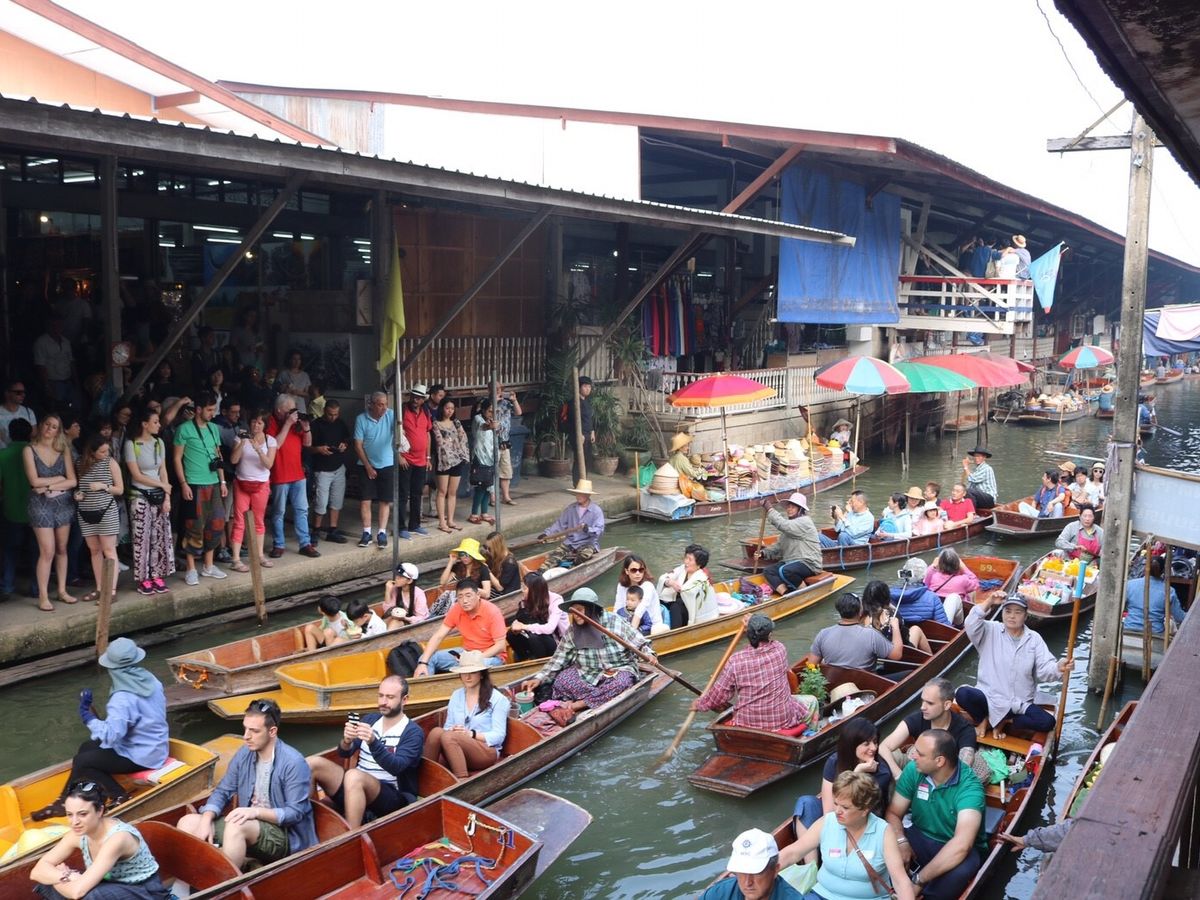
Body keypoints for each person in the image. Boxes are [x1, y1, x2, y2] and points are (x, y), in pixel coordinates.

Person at [30, 638, 168, 822]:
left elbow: (110, 736)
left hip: (142, 756)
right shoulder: (152, 681)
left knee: (83, 762)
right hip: (156, 746)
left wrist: (89, 718)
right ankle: (74, 798)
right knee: (86, 747)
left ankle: (119, 795)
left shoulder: (122, 698)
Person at [177, 698, 316, 869]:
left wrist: (254, 812)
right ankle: (228, 868)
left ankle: (228, 881)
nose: (246, 736)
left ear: (272, 731)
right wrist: (206, 819)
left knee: (236, 826)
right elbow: (223, 791)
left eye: (254, 731)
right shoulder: (244, 753)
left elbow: (295, 813)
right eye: (245, 729)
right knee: (188, 822)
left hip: (285, 837)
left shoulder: (293, 762)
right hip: (247, 823)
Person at [306, 675, 423, 826]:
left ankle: (352, 835)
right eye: (380, 696)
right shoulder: (370, 720)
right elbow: (344, 753)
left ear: (404, 700)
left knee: (354, 775)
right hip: (354, 786)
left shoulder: (413, 732)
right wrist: (347, 741)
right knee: (311, 763)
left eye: (390, 697)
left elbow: (396, 767)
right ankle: (307, 824)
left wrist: (373, 742)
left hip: (391, 797)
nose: (383, 702)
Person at [886, 729, 986, 899]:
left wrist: (918, 880)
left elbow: (961, 845)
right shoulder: (913, 770)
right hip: (920, 836)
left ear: (939, 761)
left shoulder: (970, 789)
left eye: (920, 754)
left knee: (959, 873)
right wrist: (901, 841)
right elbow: (893, 813)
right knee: (885, 846)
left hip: (954, 847)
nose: (913, 756)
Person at [955, 592, 1069, 739]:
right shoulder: (990, 629)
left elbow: (1045, 670)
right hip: (990, 697)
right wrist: (990, 601)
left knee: (1047, 722)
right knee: (962, 694)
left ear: (1025, 616)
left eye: (1018, 612)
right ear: (1002, 613)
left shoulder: (1034, 639)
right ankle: (985, 719)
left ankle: (1003, 720)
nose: (1012, 616)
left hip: (1017, 703)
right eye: (1008, 611)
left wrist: (1059, 667)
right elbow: (970, 623)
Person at [30, 782, 171, 900]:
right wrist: (68, 876)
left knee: (91, 895)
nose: (74, 822)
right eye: (69, 815)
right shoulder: (77, 834)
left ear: (100, 811)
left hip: (145, 892)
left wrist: (61, 878)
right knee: (46, 882)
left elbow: (77, 892)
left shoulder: (118, 838)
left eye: (82, 814)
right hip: (109, 885)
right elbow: (36, 871)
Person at [520, 588, 646, 715]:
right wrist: (539, 678)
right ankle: (596, 698)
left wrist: (649, 654)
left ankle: (580, 704)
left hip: (617, 671)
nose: (575, 615)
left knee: (622, 683)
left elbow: (639, 642)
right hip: (588, 674)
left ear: (591, 609)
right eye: (573, 611)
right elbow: (559, 658)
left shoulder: (614, 621)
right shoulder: (573, 631)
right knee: (561, 681)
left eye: (579, 610)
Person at [785, 720, 893, 865]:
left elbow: (856, 810)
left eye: (875, 742)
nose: (873, 747)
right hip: (836, 816)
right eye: (866, 744)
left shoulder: (882, 773)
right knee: (806, 803)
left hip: (860, 822)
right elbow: (829, 812)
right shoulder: (834, 761)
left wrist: (858, 772)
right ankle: (812, 866)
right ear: (852, 744)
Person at [693, 613, 815, 731]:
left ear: (748, 634)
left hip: (746, 721)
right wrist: (754, 621)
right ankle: (810, 733)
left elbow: (720, 694)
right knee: (812, 701)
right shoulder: (780, 650)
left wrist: (700, 704)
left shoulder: (735, 661)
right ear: (769, 635)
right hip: (781, 720)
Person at [422, 651, 511, 778]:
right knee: (437, 732)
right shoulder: (456, 695)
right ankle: (425, 777)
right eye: (464, 673)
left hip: (485, 751)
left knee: (449, 737)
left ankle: (462, 780)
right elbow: (448, 726)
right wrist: (453, 729)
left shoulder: (498, 699)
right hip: (457, 747)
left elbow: (498, 736)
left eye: (472, 672)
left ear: (481, 674)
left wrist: (471, 734)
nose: (467, 677)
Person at [172, 392, 229, 586]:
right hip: (194, 484)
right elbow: (176, 458)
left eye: (214, 409)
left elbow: (218, 456)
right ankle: (191, 568)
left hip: (213, 482)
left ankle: (208, 565)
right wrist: (183, 483)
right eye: (209, 410)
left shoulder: (213, 428)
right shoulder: (184, 429)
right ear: (198, 410)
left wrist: (222, 482)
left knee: (216, 523)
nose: (213, 413)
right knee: (193, 526)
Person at [24, 415, 78, 610]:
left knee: (62, 548)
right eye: (47, 424)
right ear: (41, 426)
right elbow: (33, 480)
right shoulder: (29, 449)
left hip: (63, 503)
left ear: (58, 431)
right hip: (40, 505)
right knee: (47, 550)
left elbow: (73, 480)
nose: (49, 428)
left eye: (54, 426)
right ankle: (43, 596)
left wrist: (48, 485)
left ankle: (62, 590)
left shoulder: (63, 449)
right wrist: (59, 479)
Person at [880, 679, 978, 780]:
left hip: (944, 772)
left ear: (946, 705)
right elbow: (883, 747)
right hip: (917, 764)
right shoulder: (917, 718)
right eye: (922, 701)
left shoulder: (965, 729)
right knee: (884, 759)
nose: (922, 707)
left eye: (930, 703)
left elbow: (963, 768)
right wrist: (898, 775)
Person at [124, 407, 174, 595]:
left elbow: (163, 470)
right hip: (140, 495)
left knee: (159, 537)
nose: (159, 425)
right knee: (142, 538)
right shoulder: (131, 444)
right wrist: (162, 485)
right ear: (144, 424)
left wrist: (167, 495)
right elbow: (136, 475)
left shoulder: (159, 443)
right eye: (155, 422)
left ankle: (157, 574)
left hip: (159, 494)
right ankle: (143, 578)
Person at [414, 578, 508, 674]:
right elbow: (438, 636)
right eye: (460, 597)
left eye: (468, 596)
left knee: (471, 667)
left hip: (490, 657)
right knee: (426, 658)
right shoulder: (456, 609)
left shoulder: (492, 612)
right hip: (467, 653)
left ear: (478, 595)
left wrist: (474, 659)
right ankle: (425, 682)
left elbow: (500, 646)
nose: (465, 601)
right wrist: (423, 663)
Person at [266, 394, 318, 559]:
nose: (292, 414)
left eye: (293, 410)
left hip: (298, 474)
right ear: (279, 410)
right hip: (280, 474)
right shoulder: (271, 422)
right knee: (278, 512)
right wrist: (288, 424)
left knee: (302, 510)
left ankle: (305, 543)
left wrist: (306, 428)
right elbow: (275, 444)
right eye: (289, 411)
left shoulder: (295, 423)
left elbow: (307, 444)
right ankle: (278, 544)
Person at [228, 408, 278, 572]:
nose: (256, 425)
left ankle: (259, 555)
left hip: (261, 485)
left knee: (259, 520)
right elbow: (233, 460)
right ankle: (236, 559)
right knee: (239, 521)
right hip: (242, 483)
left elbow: (269, 464)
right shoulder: (240, 437)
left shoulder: (270, 441)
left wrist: (258, 449)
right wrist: (243, 442)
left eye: (260, 422)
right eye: (253, 422)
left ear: (265, 425)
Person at [699, 827, 806, 900]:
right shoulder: (718, 893)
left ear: (775, 870)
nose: (747, 882)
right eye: (741, 872)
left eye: (756, 873)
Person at [806, 593, 902, 670]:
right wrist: (895, 627)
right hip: (866, 684)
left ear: (839, 611)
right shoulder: (871, 634)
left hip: (834, 682)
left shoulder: (823, 634)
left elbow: (811, 665)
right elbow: (896, 655)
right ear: (860, 612)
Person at [354, 390, 400, 548]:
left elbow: (399, 432)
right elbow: (358, 445)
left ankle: (382, 532)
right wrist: (368, 466)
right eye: (380, 405)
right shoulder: (361, 419)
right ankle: (366, 532)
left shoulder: (391, 415)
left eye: (385, 404)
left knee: (385, 500)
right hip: (365, 464)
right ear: (371, 405)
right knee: (365, 499)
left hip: (387, 463)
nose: (384, 408)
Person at [756, 493, 824, 594]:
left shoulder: (805, 522)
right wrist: (763, 553)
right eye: (788, 507)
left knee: (786, 570)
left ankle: (805, 592)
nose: (789, 509)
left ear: (800, 509)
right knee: (769, 571)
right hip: (791, 561)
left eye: (793, 507)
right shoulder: (790, 527)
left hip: (809, 563)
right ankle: (786, 593)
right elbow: (779, 546)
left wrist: (769, 509)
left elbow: (782, 524)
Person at [537, 479, 605, 572]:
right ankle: (539, 573)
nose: (578, 496)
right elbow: (559, 524)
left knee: (585, 555)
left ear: (588, 495)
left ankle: (572, 566)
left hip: (588, 543)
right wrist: (546, 534)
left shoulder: (596, 511)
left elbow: (599, 530)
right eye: (577, 494)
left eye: (581, 494)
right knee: (554, 557)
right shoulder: (571, 508)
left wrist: (588, 529)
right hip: (571, 541)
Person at [0, 418, 33, 599]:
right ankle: (36, 588)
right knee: (37, 552)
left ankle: (7, 585)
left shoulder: (3, 455)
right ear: (30, 433)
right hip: (36, 510)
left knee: (10, 550)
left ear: (10, 434)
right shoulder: (36, 453)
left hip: (11, 509)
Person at [309, 398, 350, 544]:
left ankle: (333, 529)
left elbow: (347, 439)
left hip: (338, 466)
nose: (333, 417)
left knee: (336, 500)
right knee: (321, 501)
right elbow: (307, 448)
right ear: (324, 411)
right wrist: (319, 449)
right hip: (322, 469)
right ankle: (316, 530)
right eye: (330, 414)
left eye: (336, 414)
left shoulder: (341, 423)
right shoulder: (315, 425)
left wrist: (344, 445)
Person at [397, 383, 434, 541]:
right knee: (403, 494)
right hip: (406, 459)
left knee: (417, 493)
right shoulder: (402, 410)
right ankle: (400, 526)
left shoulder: (426, 411)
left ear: (423, 400)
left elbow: (427, 435)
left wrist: (428, 457)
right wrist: (399, 456)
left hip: (421, 460)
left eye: (419, 398)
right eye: (413, 396)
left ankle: (414, 524)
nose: (415, 400)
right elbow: (395, 433)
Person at [861, 579, 932, 655]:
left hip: (875, 654)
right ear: (886, 596)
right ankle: (932, 657)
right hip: (897, 652)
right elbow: (902, 629)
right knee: (916, 629)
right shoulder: (890, 613)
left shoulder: (861, 615)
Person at [430, 396, 469, 533]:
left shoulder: (456, 423)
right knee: (442, 491)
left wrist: (457, 449)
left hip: (457, 460)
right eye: (447, 408)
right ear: (442, 408)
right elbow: (440, 442)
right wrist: (453, 443)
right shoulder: (436, 424)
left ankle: (450, 520)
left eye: (452, 408)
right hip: (444, 461)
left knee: (452, 492)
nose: (450, 411)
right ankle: (442, 521)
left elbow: (463, 438)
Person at [509, 571, 566, 661]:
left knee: (534, 637)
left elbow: (549, 628)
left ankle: (540, 664)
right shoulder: (527, 601)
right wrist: (516, 625)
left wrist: (524, 626)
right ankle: (525, 660)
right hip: (539, 638)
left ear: (534, 590)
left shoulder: (556, 600)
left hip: (559, 642)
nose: (522, 590)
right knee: (511, 634)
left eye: (525, 588)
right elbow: (520, 619)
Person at [658, 545, 718, 627]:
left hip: (694, 611)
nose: (686, 562)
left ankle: (676, 631)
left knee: (676, 605)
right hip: (680, 605)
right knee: (660, 601)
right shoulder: (682, 569)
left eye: (690, 559)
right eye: (686, 558)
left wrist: (678, 588)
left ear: (699, 564)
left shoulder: (702, 577)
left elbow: (688, 590)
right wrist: (670, 582)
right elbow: (664, 577)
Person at [1124, 555, 1185, 636]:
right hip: (1154, 635)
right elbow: (1179, 617)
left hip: (1128, 630)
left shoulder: (1130, 585)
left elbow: (1120, 607)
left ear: (1145, 568)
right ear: (1163, 571)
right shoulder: (1168, 591)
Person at [889, 560, 952, 630]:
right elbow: (944, 627)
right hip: (928, 634)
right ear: (924, 576)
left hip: (900, 634)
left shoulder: (889, 596)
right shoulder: (932, 597)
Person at [923, 549, 978, 627]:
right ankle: (971, 615)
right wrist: (964, 567)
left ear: (940, 564)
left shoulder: (933, 576)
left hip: (936, 614)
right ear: (957, 564)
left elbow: (924, 583)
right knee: (971, 591)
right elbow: (975, 584)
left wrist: (932, 566)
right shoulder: (963, 579)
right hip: (956, 621)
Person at [468, 397, 497, 525]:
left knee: (488, 486)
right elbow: (484, 427)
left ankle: (484, 512)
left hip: (490, 457)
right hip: (479, 457)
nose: (492, 413)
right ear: (484, 410)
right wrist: (491, 426)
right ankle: (474, 513)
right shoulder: (477, 418)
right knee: (480, 487)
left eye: (494, 411)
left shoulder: (493, 420)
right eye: (490, 411)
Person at [495, 383, 522, 505]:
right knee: (492, 471)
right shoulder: (485, 402)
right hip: (492, 442)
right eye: (495, 389)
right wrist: (495, 401)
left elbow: (518, 412)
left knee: (506, 470)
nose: (498, 391)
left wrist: (514, 400)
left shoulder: (506, 403)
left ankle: (506, 496)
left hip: (505, 441)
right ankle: (492, 496)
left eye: (499, 389)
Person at [564, 374, 594, 485]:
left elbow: (589, 419)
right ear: (579, 387)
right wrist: (579, 434)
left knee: (587, 459)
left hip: (587, 435)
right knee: (579, 459)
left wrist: (592, 432)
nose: (588, 389)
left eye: (589, 387)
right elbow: (573, 420)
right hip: (578, 435)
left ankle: (583, 482)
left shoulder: (587, 402)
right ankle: (577, 484)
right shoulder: (574, 403)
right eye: (585, 386)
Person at [383, 561, 429, 628]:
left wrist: (405, 618)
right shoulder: (395, 589)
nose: (396, 578)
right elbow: (387, 611)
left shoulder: (419, 594)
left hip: (413, 623)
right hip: (398, 619)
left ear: (409, 581)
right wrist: (388, 591)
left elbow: (421, 618)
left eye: (400, 577)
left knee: (394, 623)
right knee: (387, 620)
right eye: (397, 575)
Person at [0, 378, 36, 448]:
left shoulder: (29, 412)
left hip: (24, 452)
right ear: (7, 393)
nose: (23, 395)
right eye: (18, 392)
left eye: (24, 392)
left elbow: (33, 436)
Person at [483, 530, 521, 595]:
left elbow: (500, 588)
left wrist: (487, 570)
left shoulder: (510, 563)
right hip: (495, 590)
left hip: (507, 594)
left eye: (489, 548)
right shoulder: (493, 557)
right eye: (485, 547)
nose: (487, 551)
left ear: (497, 548)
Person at [275, 350, 312, 414]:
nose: (297, 361)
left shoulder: (305, 375)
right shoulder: (283, 374)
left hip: (300, 406)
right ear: (290, 360)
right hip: (286, 405)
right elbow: (277, 389)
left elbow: (308, 393)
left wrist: (298, 392)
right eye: (294, 359)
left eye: (299, 359)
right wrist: (285, 389)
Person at [961, 447, 997, 511]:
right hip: (980, 498)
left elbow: (973, 479)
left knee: (968, 491)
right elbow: (969, 484)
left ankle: (972, 513)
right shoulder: (977, 470)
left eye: (978, 456)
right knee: (962, 491)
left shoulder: (987, 468)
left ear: (984, 457)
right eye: (975, 456)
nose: (976, 458)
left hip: (989, 499)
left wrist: (966, 467)